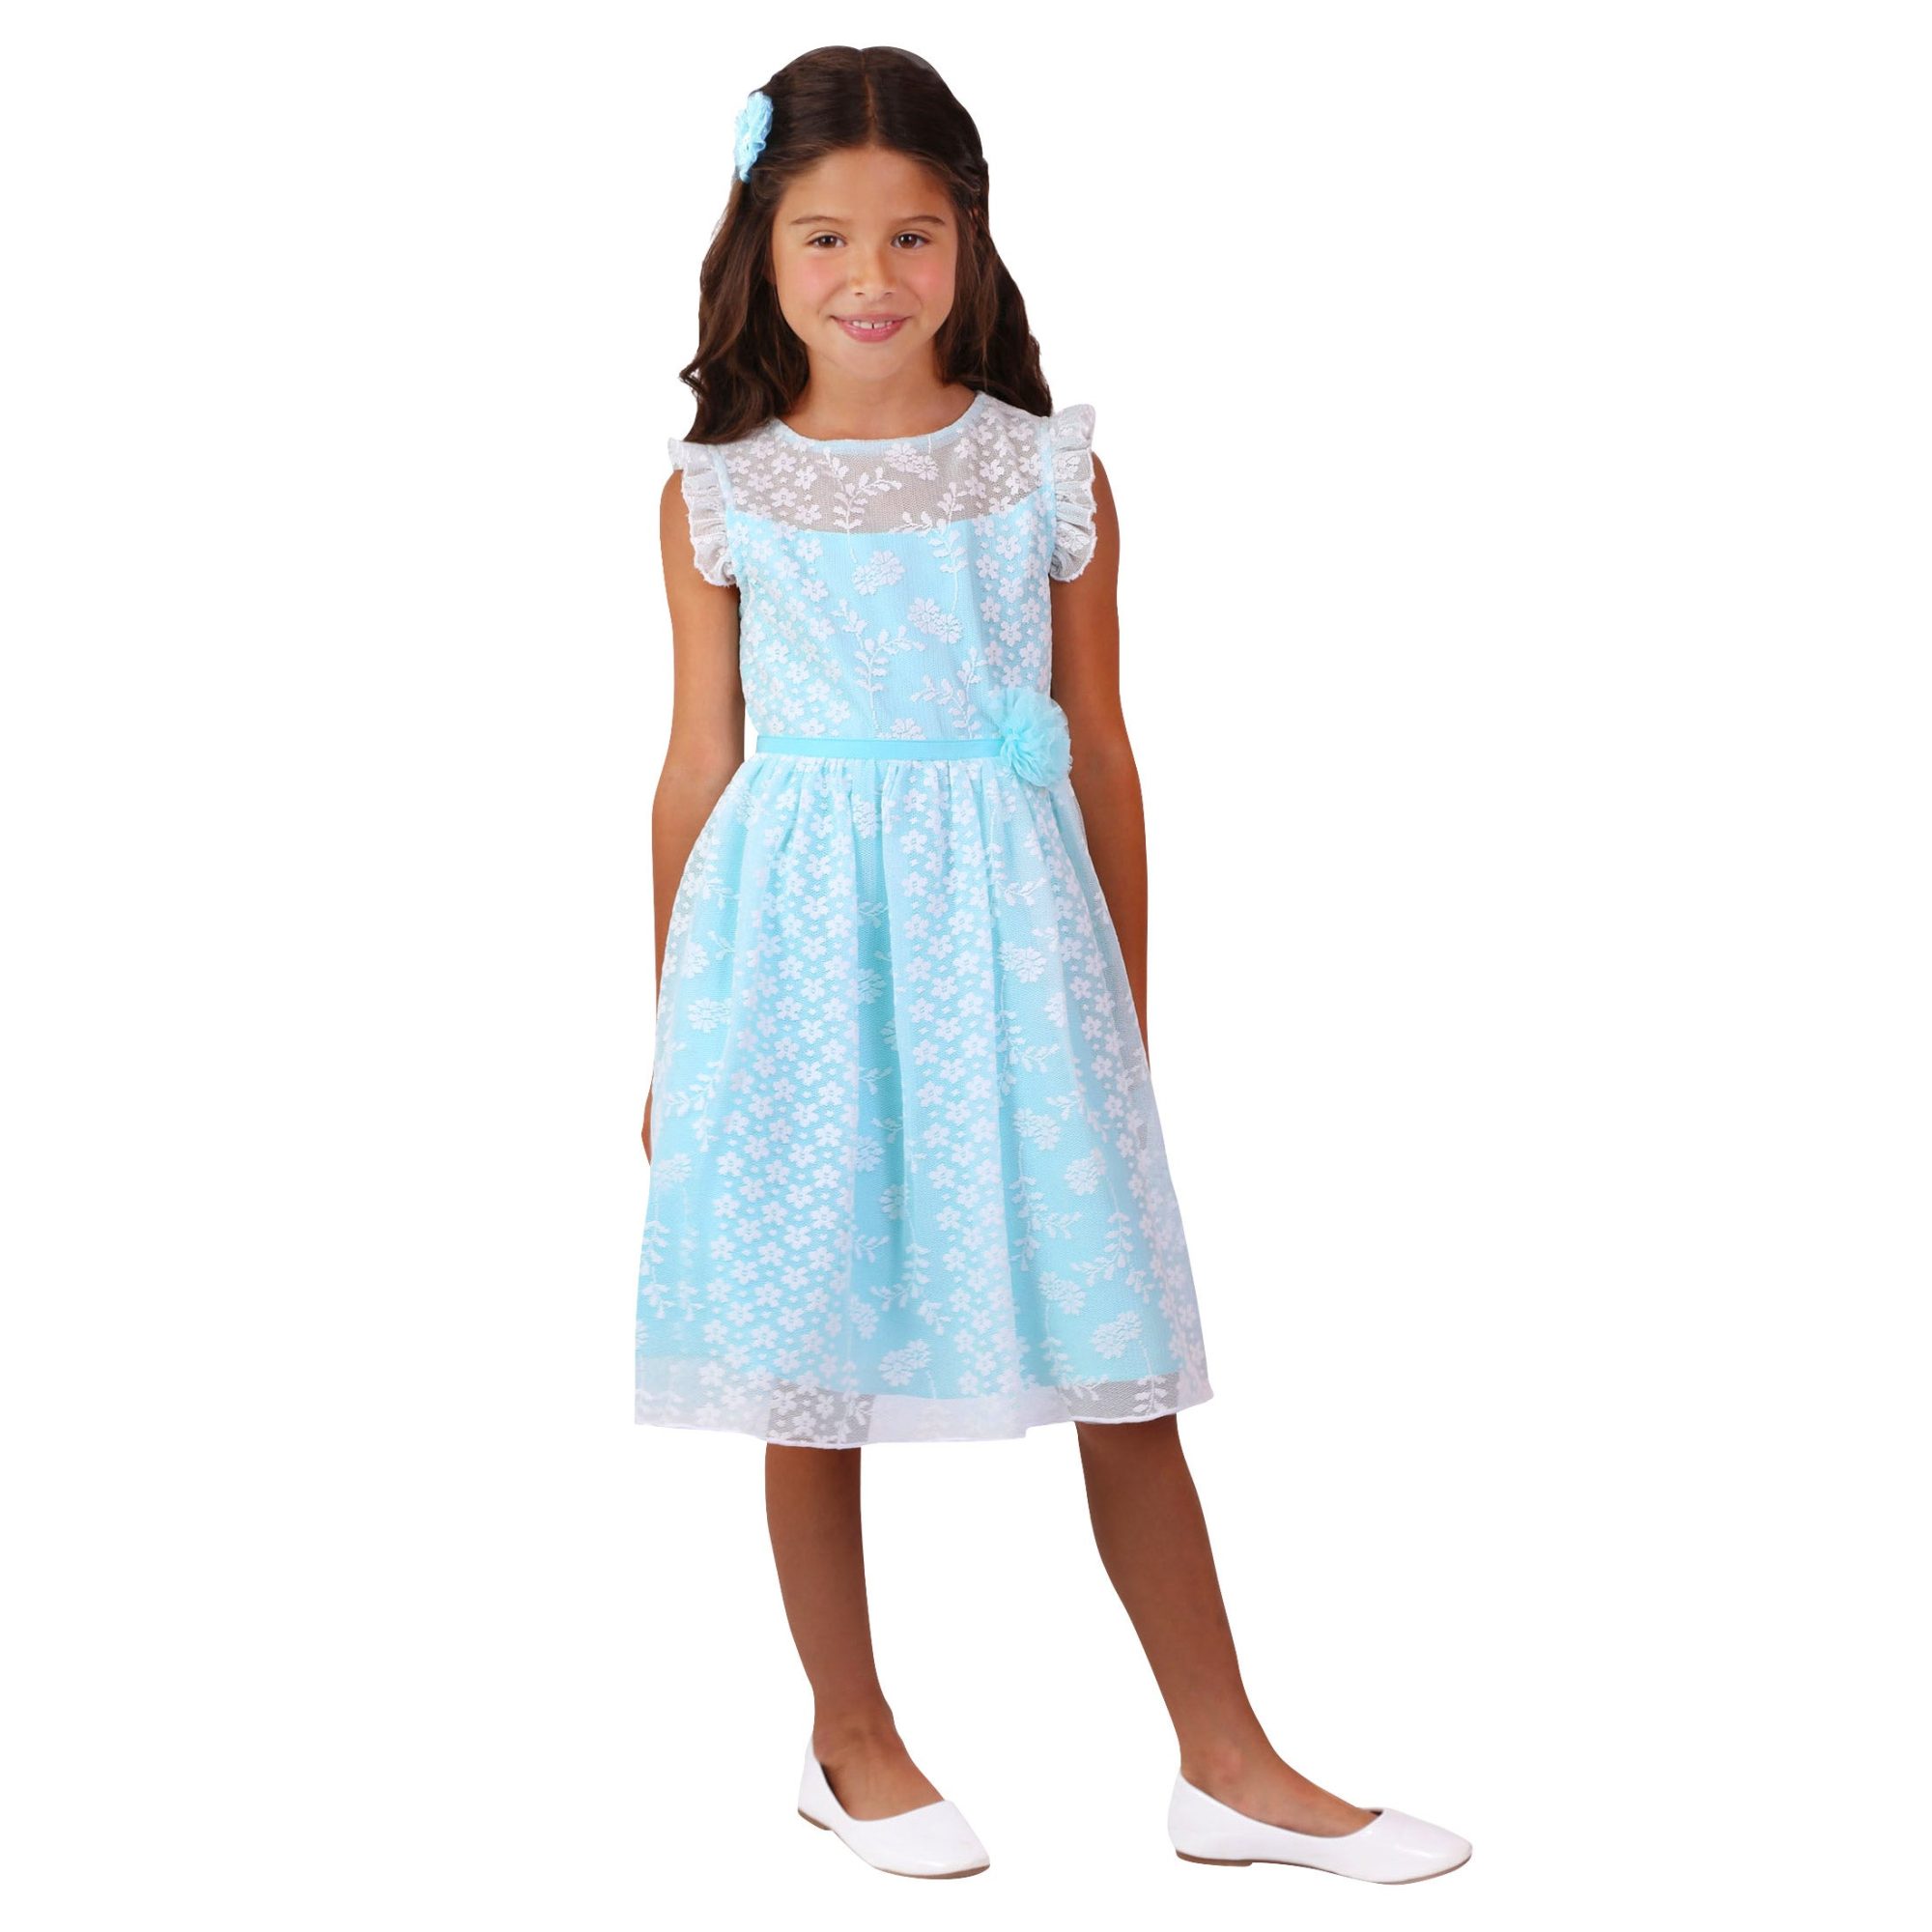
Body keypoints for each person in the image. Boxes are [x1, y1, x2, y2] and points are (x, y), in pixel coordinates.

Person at [636, 44, 1471, 1886]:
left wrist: (1126, 1009)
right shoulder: (720, 494)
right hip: (796, 967)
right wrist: (672, 1033)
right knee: (811, 1344)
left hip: (1018, 956)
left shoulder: (1044, 472)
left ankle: (1228, 1764)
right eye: (826, 236)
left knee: (1121, 1360)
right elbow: (697, 766)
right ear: (761, 247)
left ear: (972, 239)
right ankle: (849, 1738)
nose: (872, 276)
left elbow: (1100, 746)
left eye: (911, 235)